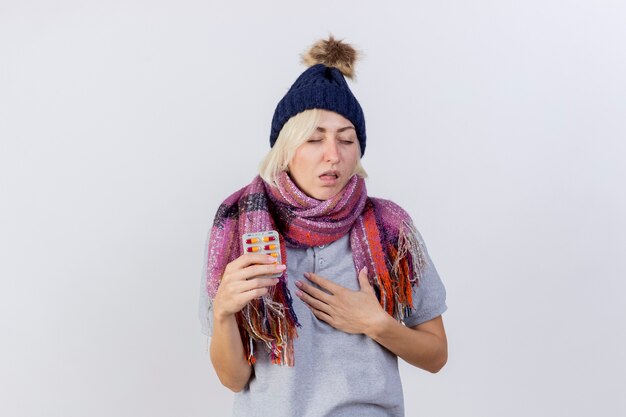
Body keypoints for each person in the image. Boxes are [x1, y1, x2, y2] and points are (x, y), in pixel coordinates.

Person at [198, 35, 448, 417]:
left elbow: (435, 355)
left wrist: (376, 324)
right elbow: (234, 379)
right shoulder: (236, 227)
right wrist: (223, 313)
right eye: (314, 140)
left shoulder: (390, 228)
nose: (333, 155)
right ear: (286, 148)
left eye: (346, 140)